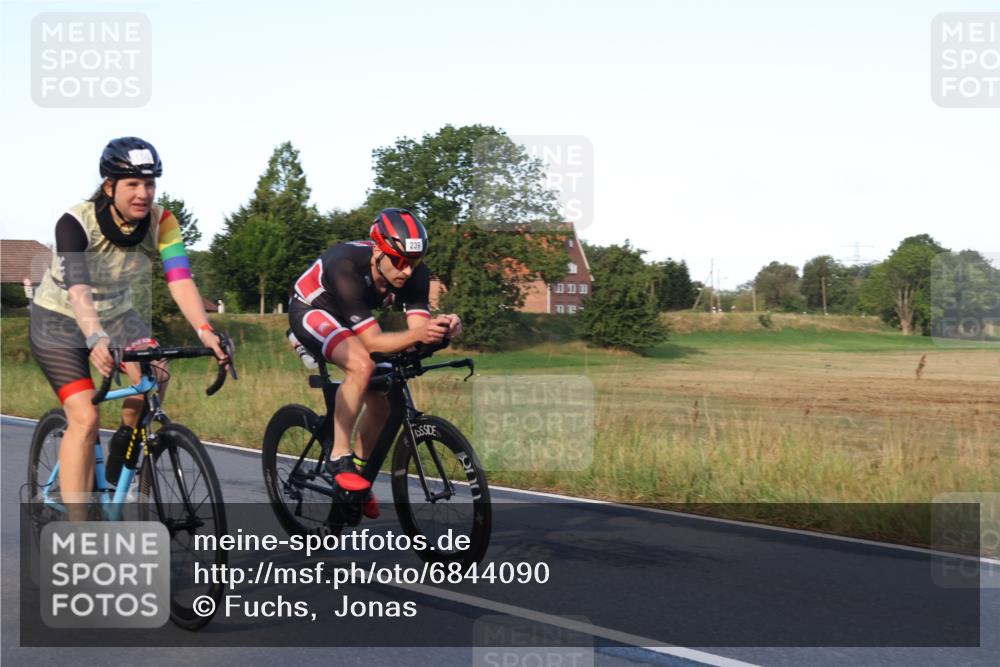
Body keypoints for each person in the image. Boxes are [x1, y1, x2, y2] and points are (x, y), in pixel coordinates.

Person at [30, 137, 229, 516]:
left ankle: (123, 453)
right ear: (109, 186)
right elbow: (78, 288)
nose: (143, 194)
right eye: (133, 184)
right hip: (59, 320)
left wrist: (205, 330)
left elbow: (180, 279)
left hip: (117, 314)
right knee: (85, 417)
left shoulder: (162, 221)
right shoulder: (75, 222)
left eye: (150, 183)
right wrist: (95, 337)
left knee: (156, 375)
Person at [287, 208, 461, 518]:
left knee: (383, 402)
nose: (407, 271)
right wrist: (417, 335)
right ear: (378, 251)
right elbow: (372, 343)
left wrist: (442, 330)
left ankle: (358, 475)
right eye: (399, 261)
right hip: (312, 311)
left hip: (353, 317)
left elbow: (417, 333)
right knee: (361, 365)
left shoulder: (416, 273)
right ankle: (339, 456)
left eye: (413, 263)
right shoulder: (345, 265)